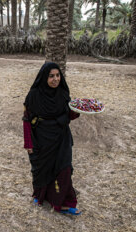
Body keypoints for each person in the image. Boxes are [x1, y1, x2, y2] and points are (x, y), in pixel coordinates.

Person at [23, 62, 81, 215]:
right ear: (44, 77)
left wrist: (78, 110)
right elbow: (27, 119)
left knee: (64, 168)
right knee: (42, 168)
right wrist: (28, 143)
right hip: (41, 138)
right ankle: (40, 195)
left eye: (57, 75)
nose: (55, 79)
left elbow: (68, 115)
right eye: (51, 76)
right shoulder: (34, 95)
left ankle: (63, 202)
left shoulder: (62, 93)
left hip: (61, 137)